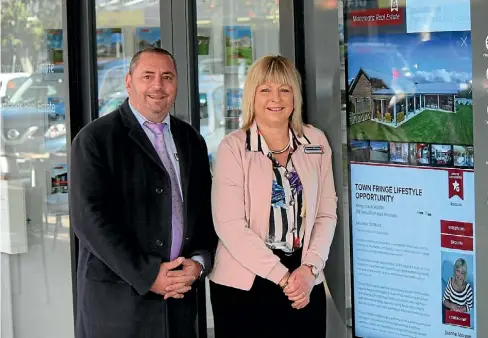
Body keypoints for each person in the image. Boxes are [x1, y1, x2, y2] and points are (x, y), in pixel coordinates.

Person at [70, 47, 217, 338]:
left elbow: (206, 211)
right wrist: (148, 275)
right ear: (128, 82)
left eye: (167, 77)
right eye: (147, 76)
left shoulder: (191, 140)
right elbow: (89, 221)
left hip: (178, 304)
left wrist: (199, 263)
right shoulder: (95, 139)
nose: (158, 86)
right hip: (117, 308)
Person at [208, 55, 338, 337]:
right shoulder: (233, 148)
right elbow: (229, 225)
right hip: (246, 283)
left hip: (304, 280)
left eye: (284, 89)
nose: (275, 98)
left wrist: (309, 270)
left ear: (295, 96)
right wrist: (284, 277)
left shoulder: (315, 141)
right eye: (265, 89)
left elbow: (326, 213)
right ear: (252, 96)